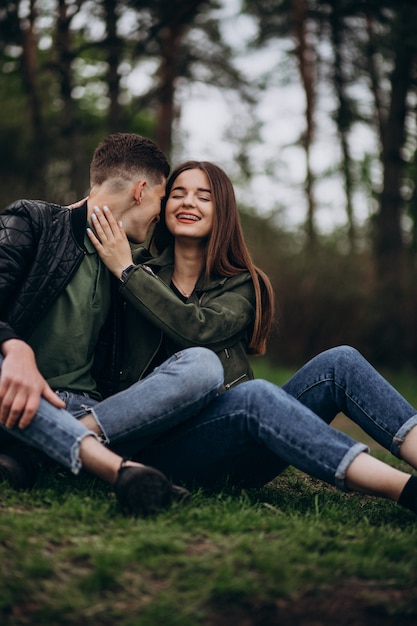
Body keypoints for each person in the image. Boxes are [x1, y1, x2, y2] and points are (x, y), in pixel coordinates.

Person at [86, 160, 417, 516]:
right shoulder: (133, 266)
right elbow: (87, 215)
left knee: (341, 361)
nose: (187, 203)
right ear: (162, 206)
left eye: (204, 197)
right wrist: (126, 266)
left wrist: (128, 273)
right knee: (256, 395)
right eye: (177, 194)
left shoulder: (241, 283)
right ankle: (406, 490)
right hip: (155, 449)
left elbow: (197, 329)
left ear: (223, 210)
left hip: (238, 439)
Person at [0, 139, 224, 517]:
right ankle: (115, 469)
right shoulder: (34, 221)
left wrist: (127, 271)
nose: (161, 213)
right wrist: (16, 350)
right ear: (141, 191)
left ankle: (38, 449)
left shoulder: (134, 265)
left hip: (96, 412)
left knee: (204, 365)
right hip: (13, 390)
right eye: (162, 198)